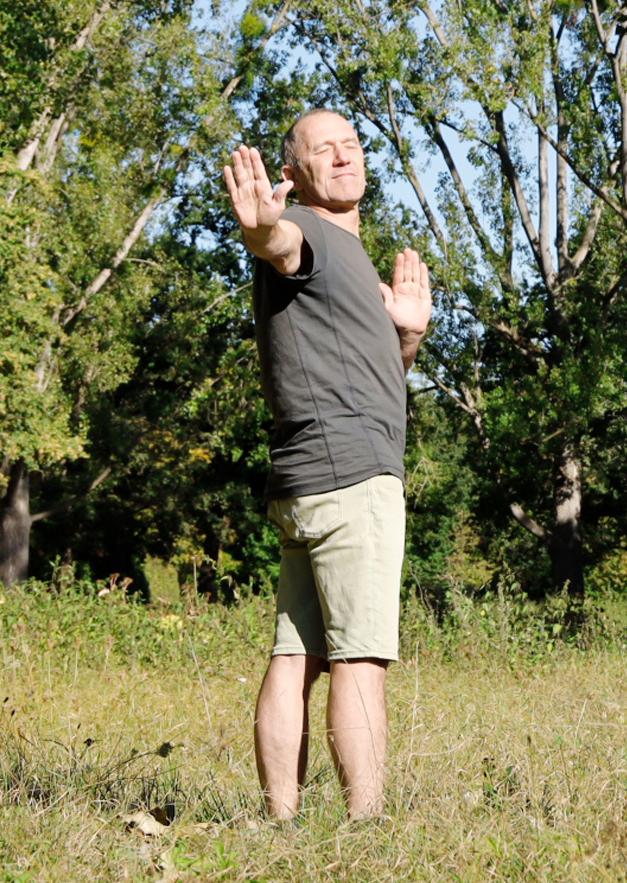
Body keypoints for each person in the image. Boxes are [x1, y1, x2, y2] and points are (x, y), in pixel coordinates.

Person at [221, 108, 431, 821]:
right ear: (293, 173)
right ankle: (365, 826)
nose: (344, 157)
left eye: (351, 145)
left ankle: (281, 819)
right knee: (359, 656)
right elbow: (277, 244)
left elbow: (373, 377)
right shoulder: (309, 233)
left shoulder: (351, 252)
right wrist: (258, 227)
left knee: (295, 653)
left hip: (309, 479)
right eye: (324, 150)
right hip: (350, 478)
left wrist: (406, 337)